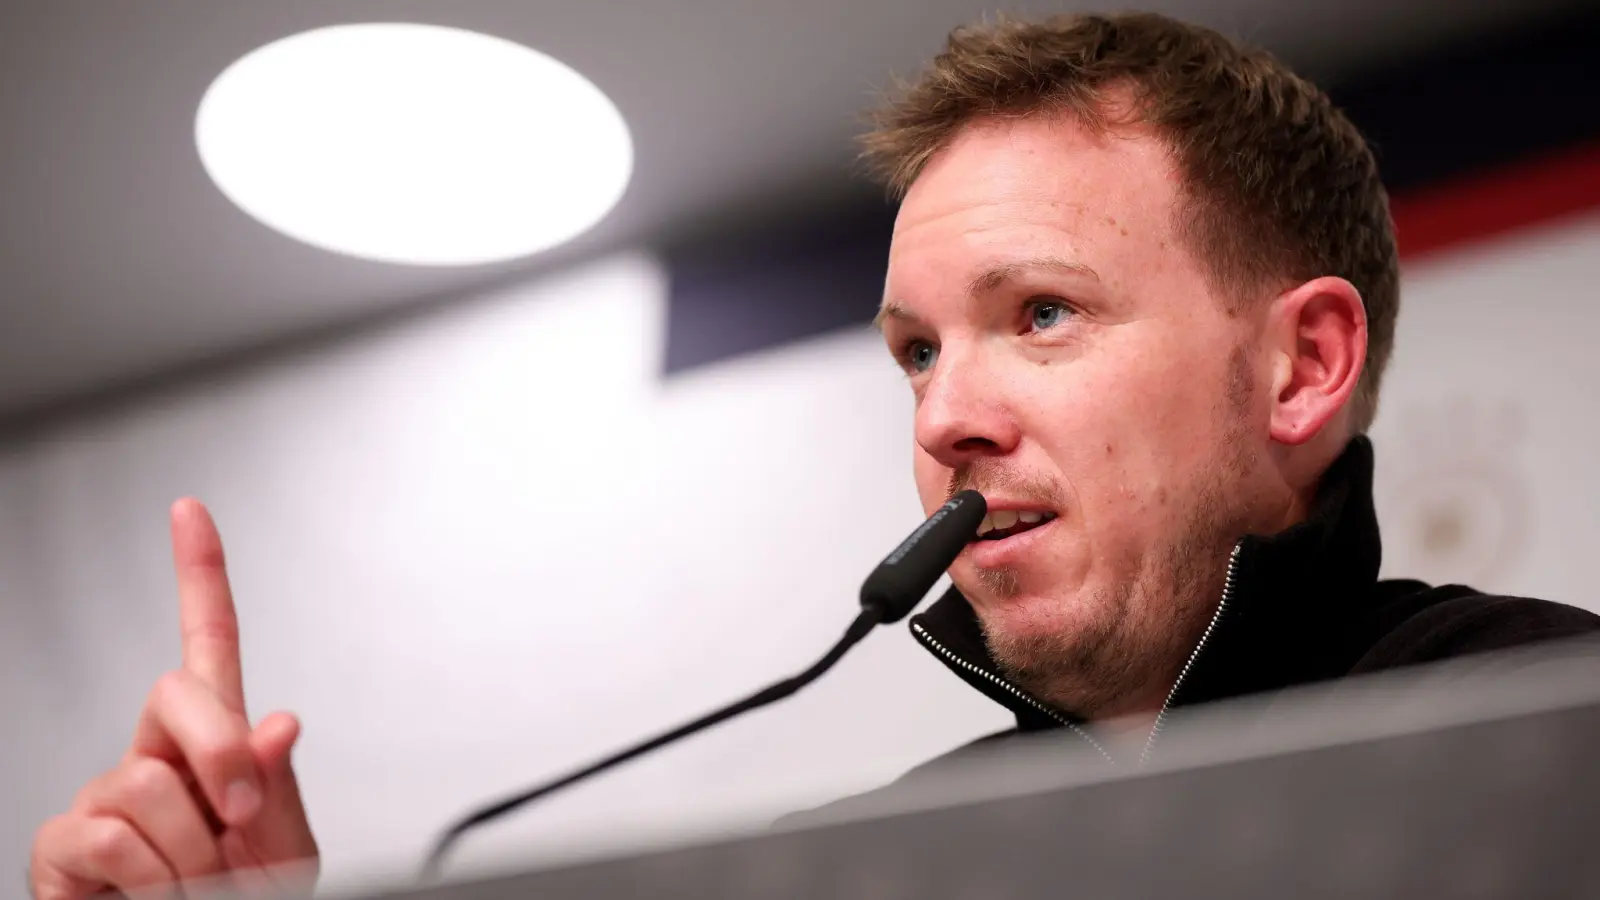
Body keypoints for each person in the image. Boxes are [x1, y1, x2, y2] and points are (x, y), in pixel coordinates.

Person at [26, 11, 1600, 899]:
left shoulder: (1561, 739)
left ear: (1302, 367)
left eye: (1041, 314)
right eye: (916, 350)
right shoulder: (849, 872)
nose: (942, 416)